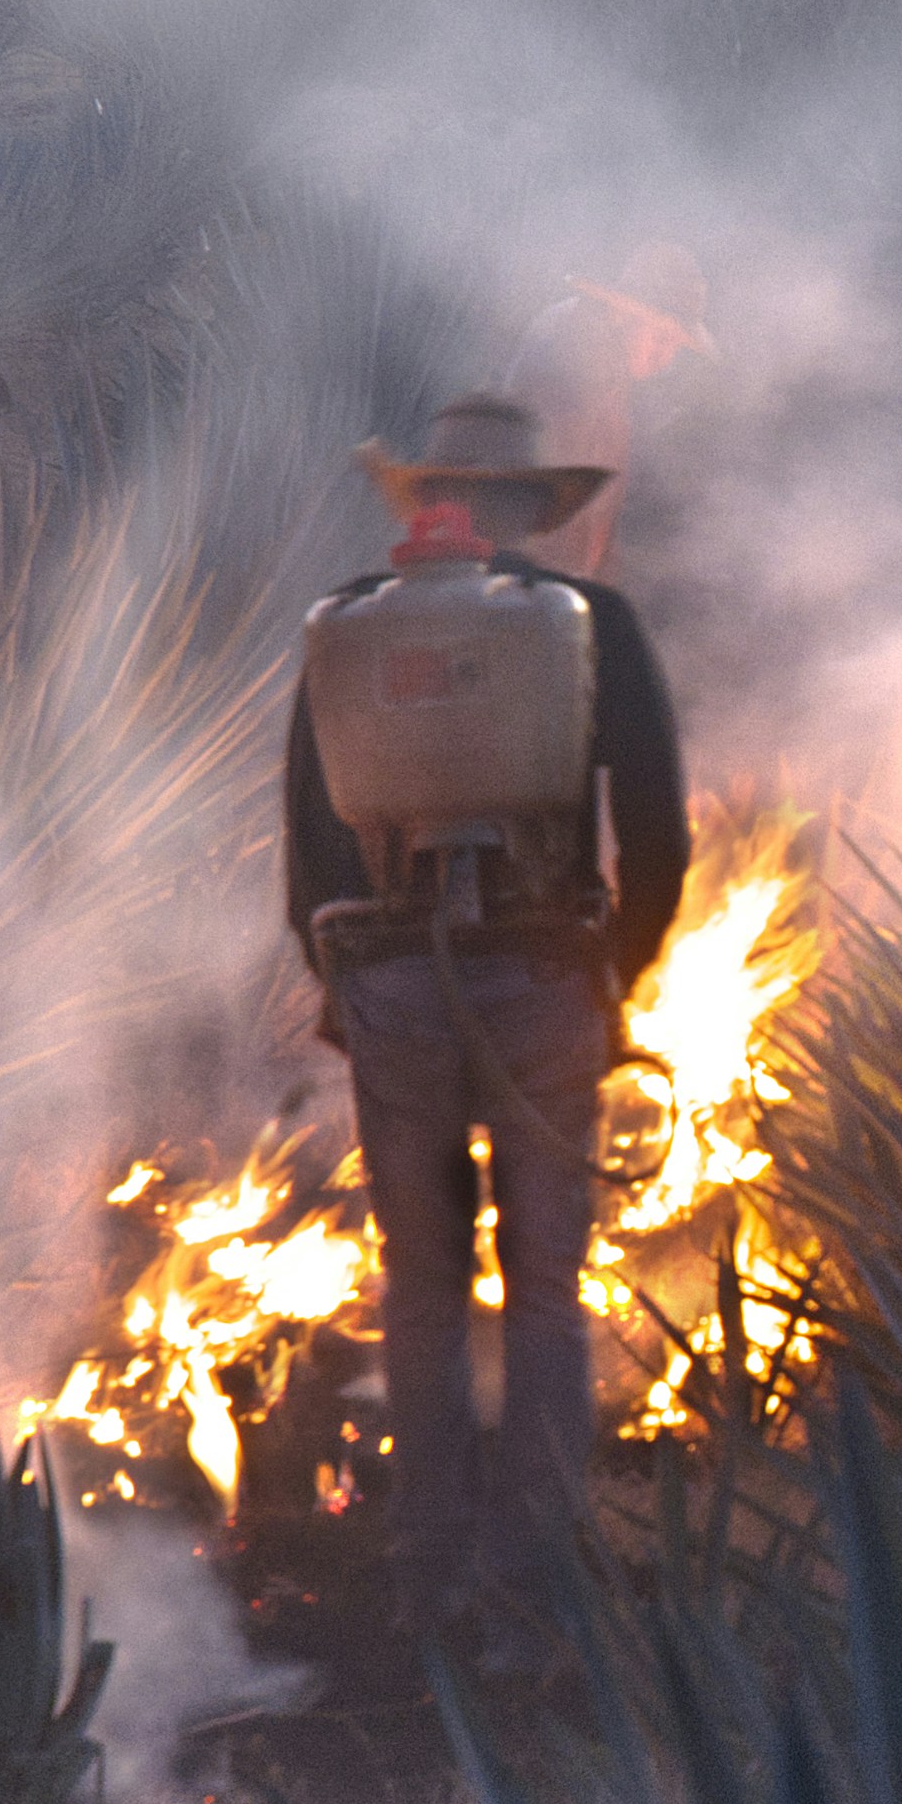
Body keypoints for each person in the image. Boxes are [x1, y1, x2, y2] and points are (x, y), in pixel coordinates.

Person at [281, 393, 690, 1645]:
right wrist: (610, 968)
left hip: (395, 981)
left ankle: (429, 1556)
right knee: (547, 1284)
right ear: (531, 512)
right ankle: (539, 1558)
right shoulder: (591, 625)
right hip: (546, 975)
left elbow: (309, 848)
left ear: (426, 506)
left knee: (421, 1280)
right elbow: (660, 835)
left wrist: (348, 982)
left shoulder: (346, 632)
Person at [501, 241, 717, 580]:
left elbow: (597, 509)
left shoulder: (611, 374)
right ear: (621, 314)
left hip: (548, 582)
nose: (665, 358)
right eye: (660, 338)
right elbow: (552, 498)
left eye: (676, 345)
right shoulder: (575, 355)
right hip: (527, 583)